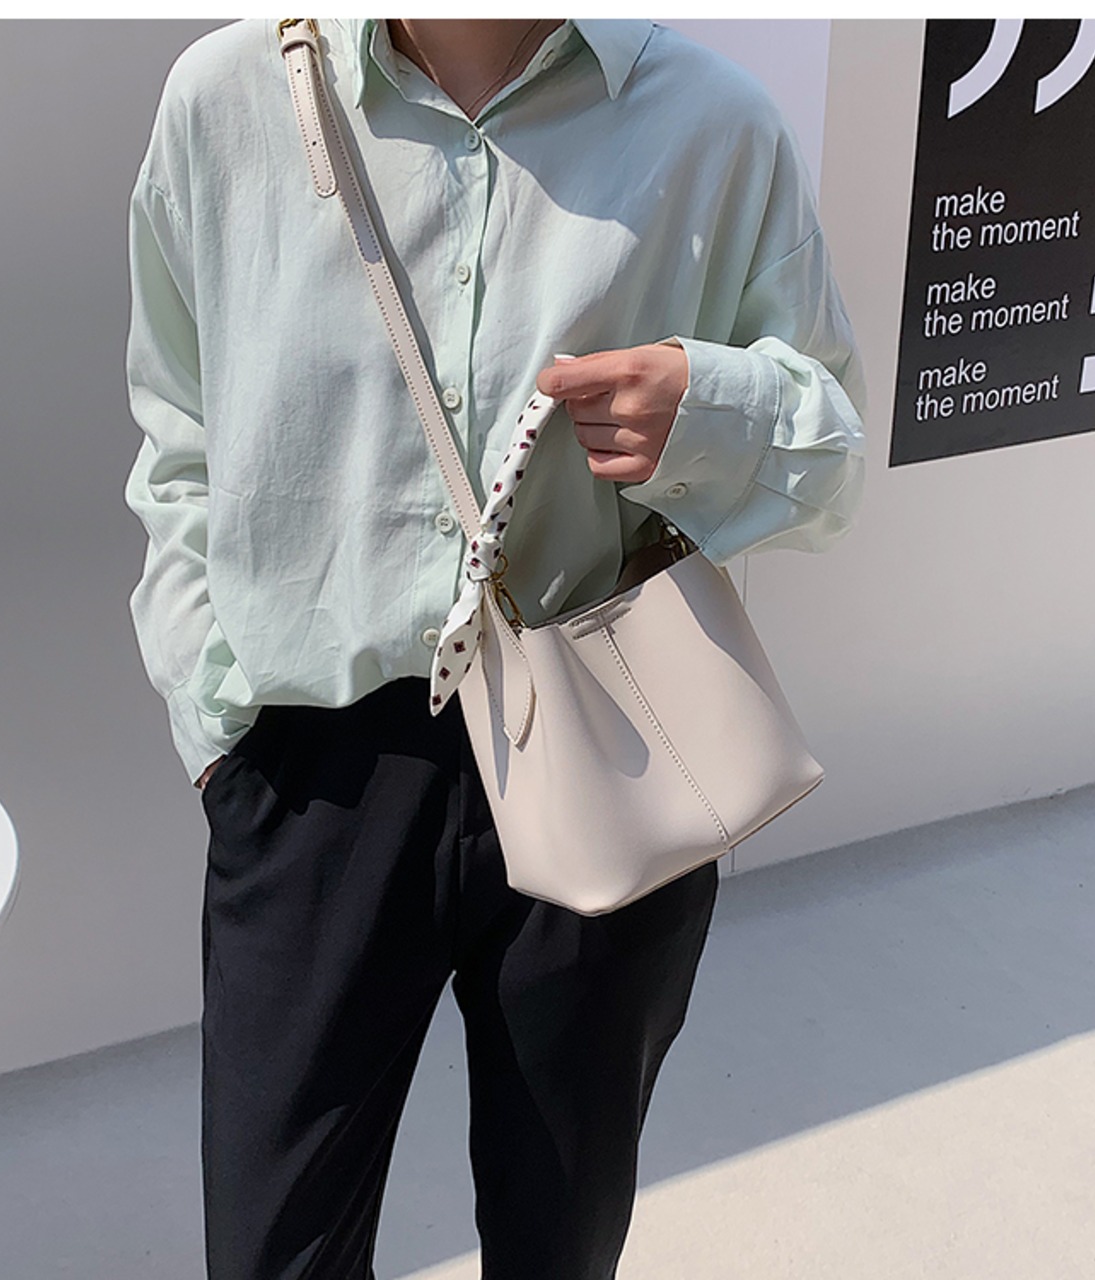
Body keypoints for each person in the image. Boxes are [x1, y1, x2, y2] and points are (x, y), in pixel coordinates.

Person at [124, 17, 865, 1280]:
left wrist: (707, 410)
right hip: (312, 770)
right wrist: (215, 722)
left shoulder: (712, 125)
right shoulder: (226, 97)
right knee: (271, 1250)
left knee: (558, 1237)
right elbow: (179, 427)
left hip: (602, 740)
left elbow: (831, 460)